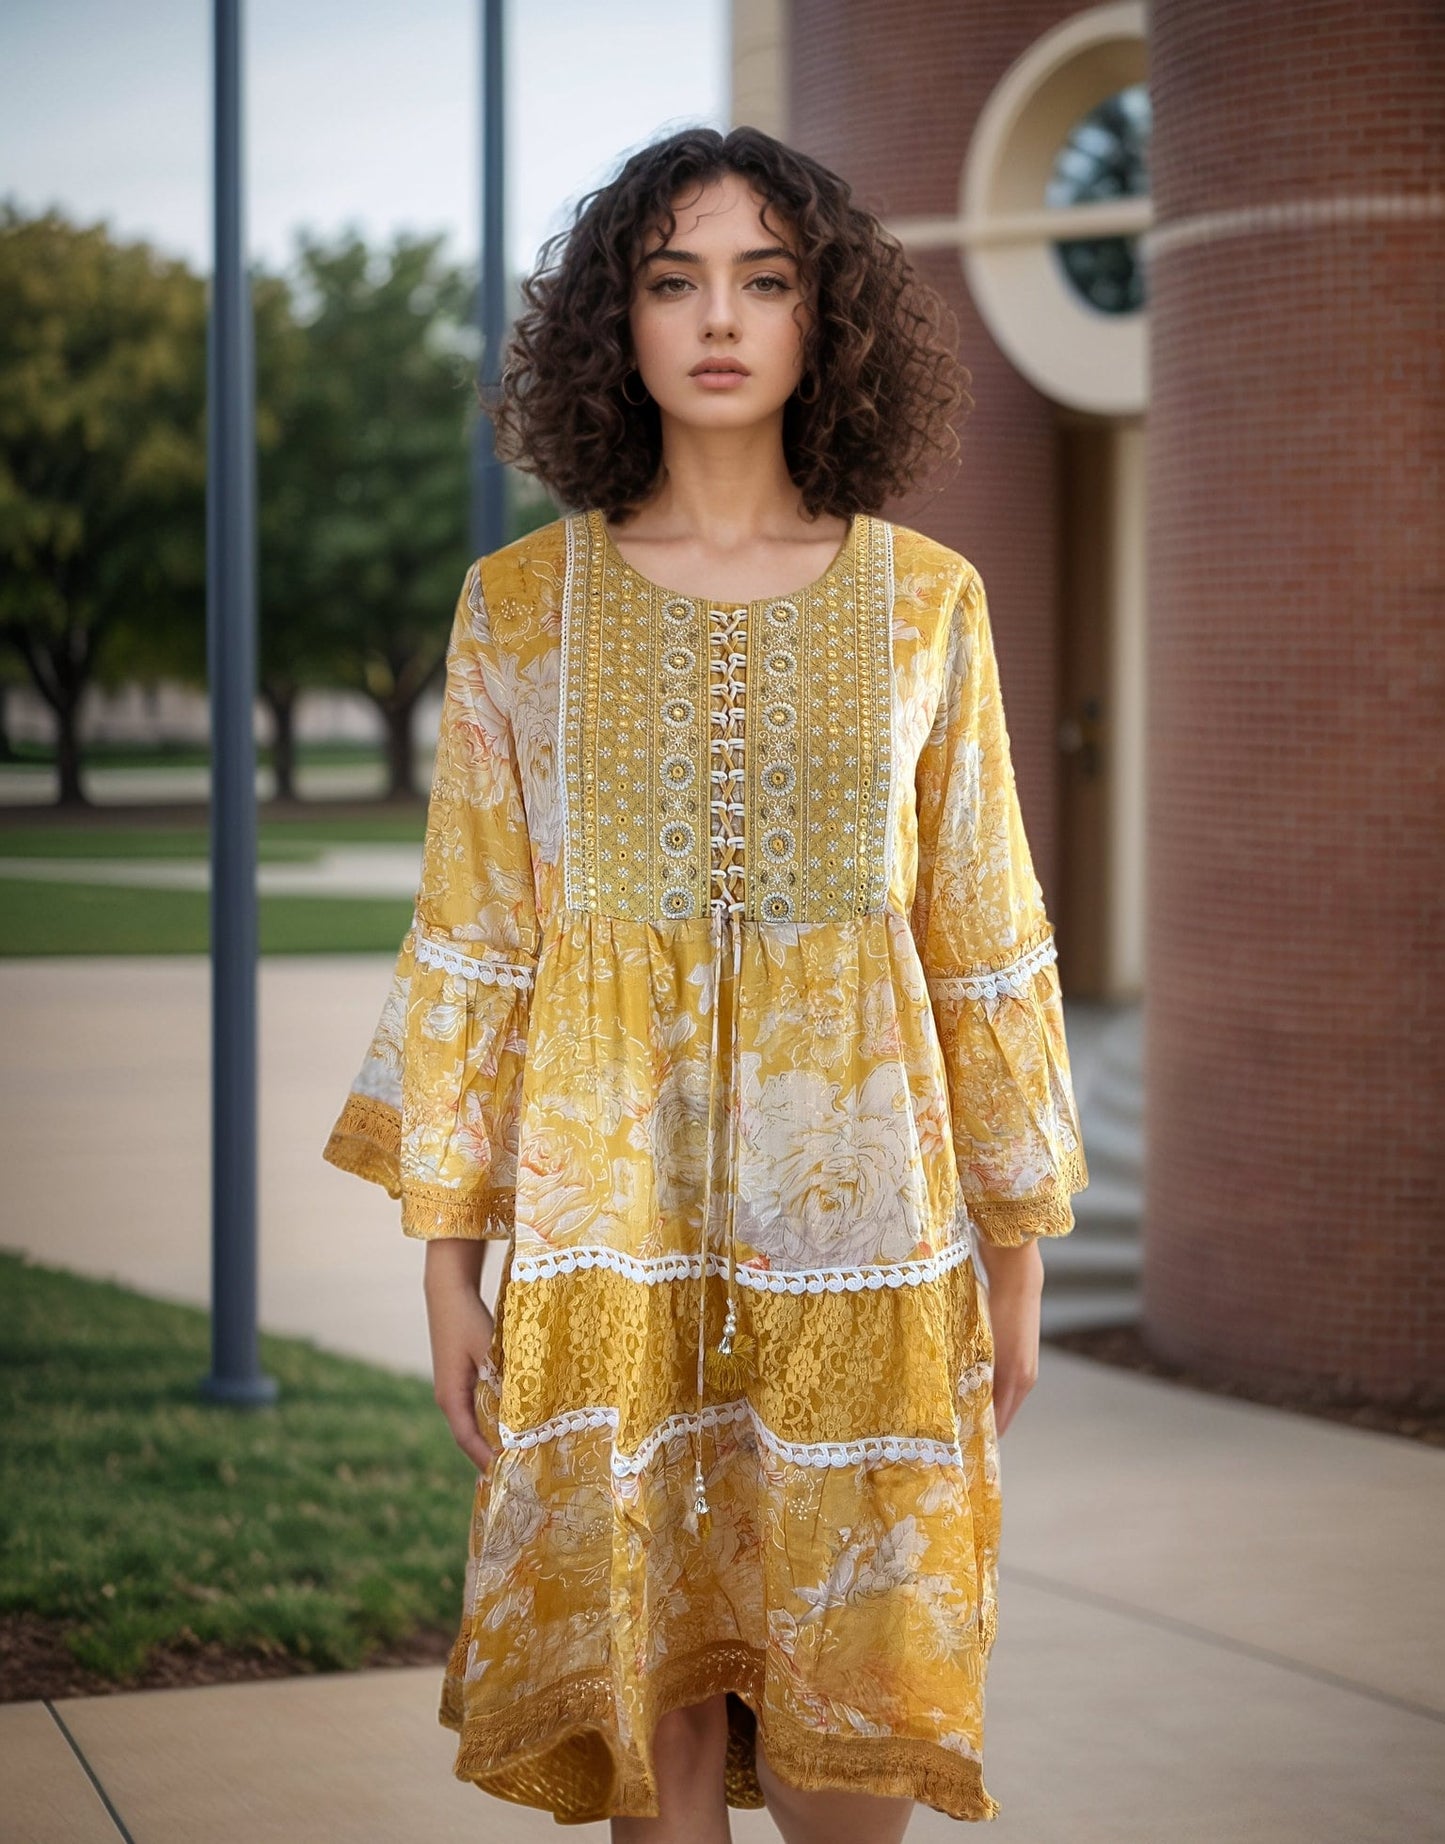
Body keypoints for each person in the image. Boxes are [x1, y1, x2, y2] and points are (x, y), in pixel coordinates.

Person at [322, 124, 1088, 1842]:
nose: (718, 319)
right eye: (673, 282)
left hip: (868, 1255)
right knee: (650, 1721)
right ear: (618, 322)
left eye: (765, 279)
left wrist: (1013, 1250)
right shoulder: (516, 610)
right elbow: (473, 949)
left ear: (830, 323)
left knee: (842, 1728)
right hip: (609, 1249)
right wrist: (451, 1265)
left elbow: (980, 938)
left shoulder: (928, 608)